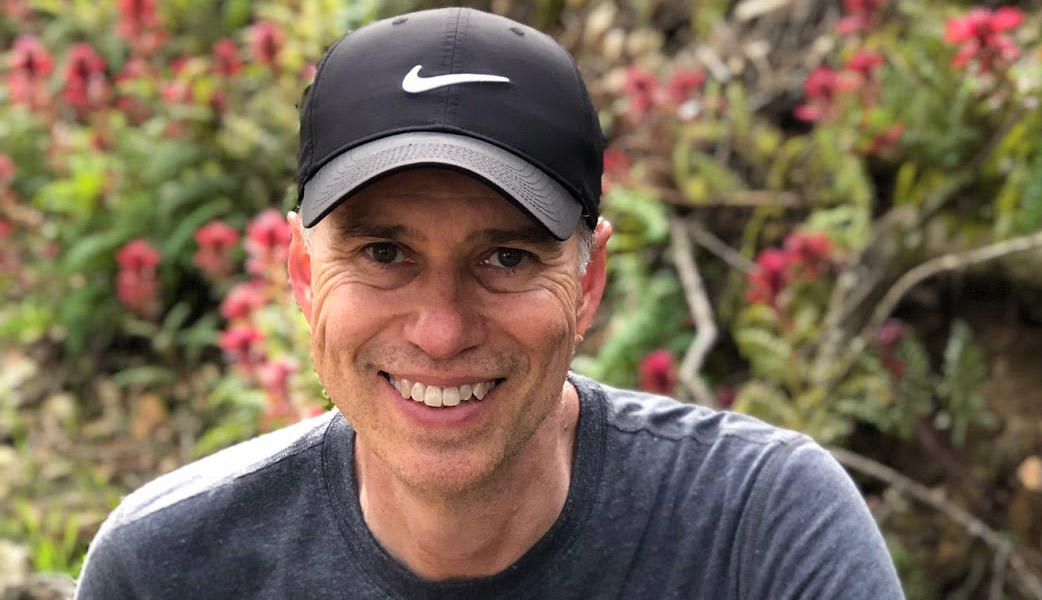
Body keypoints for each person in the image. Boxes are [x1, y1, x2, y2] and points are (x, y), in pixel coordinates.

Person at [74, 7, 904, 599]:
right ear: (300, 274)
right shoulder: (168, 567)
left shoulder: (757, 530)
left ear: (588, 283)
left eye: (506, 257)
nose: (440, 331)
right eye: (384, 254)